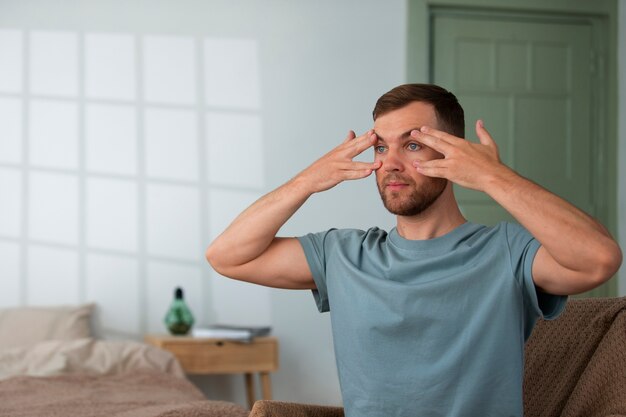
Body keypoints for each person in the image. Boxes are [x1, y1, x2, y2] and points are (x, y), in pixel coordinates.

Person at [205, 84, 622, 417]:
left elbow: (598, 259)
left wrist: (494, 177)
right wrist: (308, 181)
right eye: (381, 147)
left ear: (454, 152)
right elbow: (227, 255)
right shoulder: (344, 255)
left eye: (413, 144)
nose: (389, 163)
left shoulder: (507, 252)